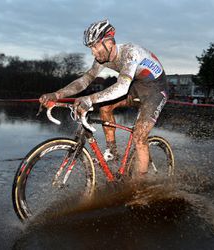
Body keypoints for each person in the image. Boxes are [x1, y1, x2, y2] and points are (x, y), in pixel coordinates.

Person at [39, 19, 169, 178]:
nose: (93, 52)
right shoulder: (101, 59)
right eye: (90, 48)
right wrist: (57, 94)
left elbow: (121, 87)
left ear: (108, 42)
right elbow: (85, 80)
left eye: (94, 46)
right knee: (105, 108)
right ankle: (112, 152)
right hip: (136, 85)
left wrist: (90, 99)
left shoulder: (130, 53)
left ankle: (139, 190)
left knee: (139, 137)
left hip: (156, 88)